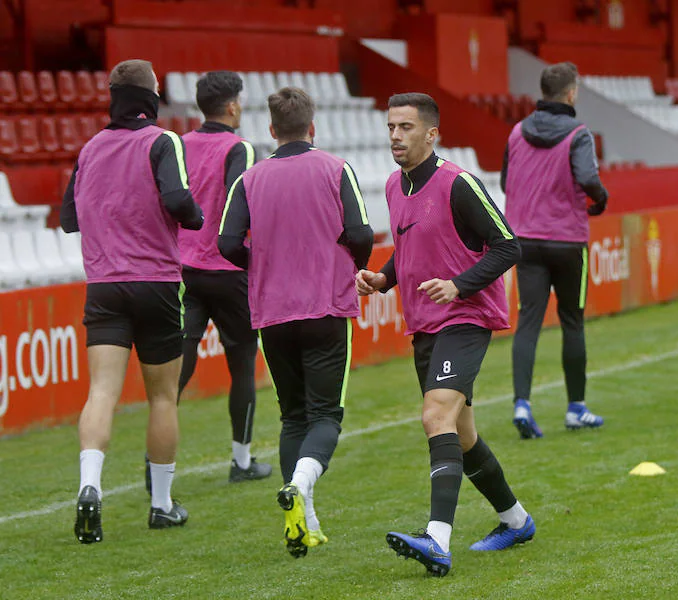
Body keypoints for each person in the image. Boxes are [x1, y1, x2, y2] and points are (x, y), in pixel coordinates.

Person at [357, 93, 534, 577]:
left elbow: (508, 246)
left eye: (406, 127)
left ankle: (437, 539)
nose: (395, 135)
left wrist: (459, 285)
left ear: (431, 134)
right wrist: (383, 278)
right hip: (424, 325)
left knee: (436, 415)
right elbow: (411, 247)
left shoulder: (459, 184)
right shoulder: (395, 186)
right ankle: (515, 520)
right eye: (392, 127)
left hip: (466, 317)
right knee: (461, 432)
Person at [218, 87, 373, 558]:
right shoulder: (335, 168)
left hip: (274, 310)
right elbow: (361, 231)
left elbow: (226, 243)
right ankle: (302, 487)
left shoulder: (250, 179)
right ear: (312, 127)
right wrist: (350, 262)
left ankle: (301, 523)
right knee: (326, 415)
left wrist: (262, 262)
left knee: (292, 417)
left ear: (270, 131)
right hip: (326, 305)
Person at [61, 59, 204, 543]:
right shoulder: (163, 142)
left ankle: (89, 486)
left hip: (103, 284)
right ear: (152, 96)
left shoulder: (90, 149)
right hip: (157, 283)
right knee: (162, 396)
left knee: (101, 392)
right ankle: (162, 506)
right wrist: (199, 217)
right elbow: (178, 201)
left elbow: (68, 219)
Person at [502, 61, 609, 438]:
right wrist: (599, 198)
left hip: (525, 239)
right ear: (571, 93)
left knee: (528, 322)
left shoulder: (517, 132)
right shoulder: (578, 133)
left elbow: (505, 180)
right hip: (566, 240)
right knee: (571, 321)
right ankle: (575, 408)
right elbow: (587, 177)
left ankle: (521, 403)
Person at [177, 70, 271, 482]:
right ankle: (242, 460)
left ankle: (154, 461)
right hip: (228, 269)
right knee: (242, 363)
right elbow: (241, 205)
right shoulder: (240, 148)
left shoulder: (178, 144)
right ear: (233, 105)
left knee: (178, 364)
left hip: (184, 268)